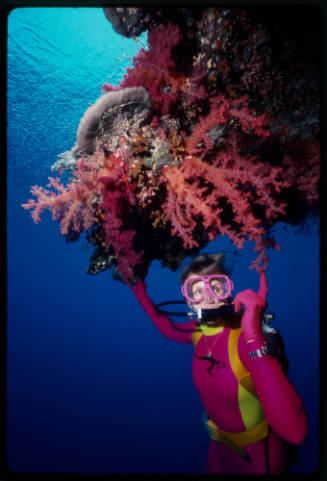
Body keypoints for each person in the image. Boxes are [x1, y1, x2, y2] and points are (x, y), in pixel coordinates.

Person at [129, 253, 308, 474]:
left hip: (260, 459)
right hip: (218, 451)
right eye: (197, 290)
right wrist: (138, 290)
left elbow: (296, 433)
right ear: (188, 302)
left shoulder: (243, 339)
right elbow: (168, 328)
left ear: (229, 292)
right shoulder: (198, 334)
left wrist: (254, 335)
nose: (209, 297)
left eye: (217, 286)